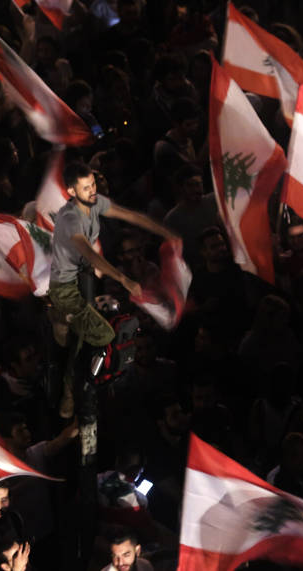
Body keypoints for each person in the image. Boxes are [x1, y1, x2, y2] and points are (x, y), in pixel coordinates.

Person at [48, 161, 179, 416]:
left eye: (94, 185)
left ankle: (71, 338)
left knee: (96, 333)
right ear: (72, 191)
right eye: (85, 187)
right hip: (66, 287)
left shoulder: (96, 203)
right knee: (102, 336)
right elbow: (88, 251)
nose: (92, 191)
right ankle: (70, 391)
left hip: (86, 278)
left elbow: (129, 215)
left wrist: (164, 230)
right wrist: (124, 279)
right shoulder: (70, 218)